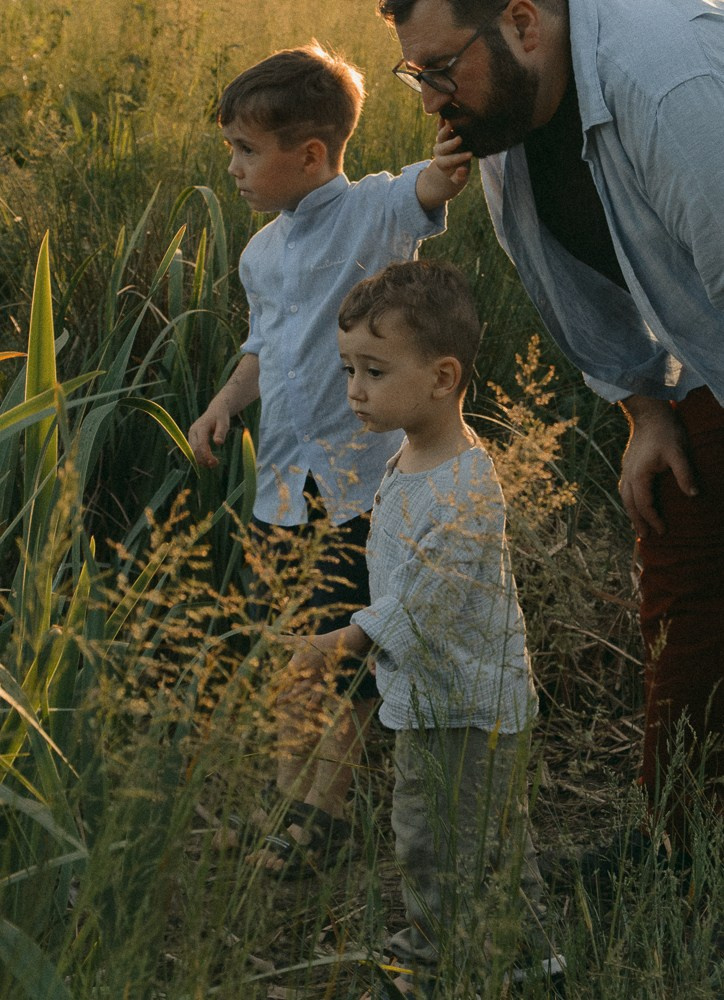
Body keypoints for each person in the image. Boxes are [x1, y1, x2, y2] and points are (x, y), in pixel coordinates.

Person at [377, 0, 724, 855]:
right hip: (706, 356)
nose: (432, 100)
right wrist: (647, 410)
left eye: (441, 69)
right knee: (683, 555)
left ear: (524, 23)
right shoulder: (506, 123)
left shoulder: (669, 79)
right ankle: (678, 846)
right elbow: (576, 291)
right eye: (417, 74)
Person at [188, 42, 471, 869]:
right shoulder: (261, 253)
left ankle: (324, 820)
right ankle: (287, 802)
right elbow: (264, 347)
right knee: (288, 649)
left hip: (355, 484)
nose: (234, 168)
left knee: (336, 655)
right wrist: (224, 402)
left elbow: (436, 180)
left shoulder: (373, 211)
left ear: (310, 155)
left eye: (246, 150)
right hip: (280, 483)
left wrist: (454, 136)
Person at [282, 260, 562, 997]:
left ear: (442, 378)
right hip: (436, 695)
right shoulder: (410, 456)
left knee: (439, 836)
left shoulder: (465, 485)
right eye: (348, 369)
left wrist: (342, 642)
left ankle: (435, 964)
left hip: (467, 705)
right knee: (477, 834)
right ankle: (522, 957)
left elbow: (428, 600)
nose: (354, 390)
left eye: (374, 371)